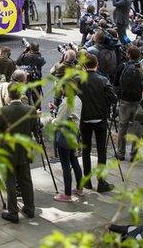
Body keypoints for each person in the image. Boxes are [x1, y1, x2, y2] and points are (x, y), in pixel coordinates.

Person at [0, 82, 38, 223]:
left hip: (8, 151)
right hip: (24, 149)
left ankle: (13, 212)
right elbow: (35, 129)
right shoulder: (31, 110)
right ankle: (30, 209)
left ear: (8, 94)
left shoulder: (2, 111)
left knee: (10, 181)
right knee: (26, 180)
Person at [77, 53, 117, 193]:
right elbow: (114, 98)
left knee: (86, 151)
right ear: (97, 64)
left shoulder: (77, 80)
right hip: (100, 119)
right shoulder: (103, 80)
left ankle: (87, 181)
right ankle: (101, 182)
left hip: (84, 119)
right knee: (101, 151)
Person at [50, 65, 84, 203]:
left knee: (65, 164)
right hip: (74, 133)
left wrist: (51, 119)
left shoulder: (66, 102)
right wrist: (57, 108)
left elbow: (58, 121)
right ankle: (80, 189)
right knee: (74, 161)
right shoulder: (77, 99)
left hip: (64, 134)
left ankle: (67, 194)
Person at [114, 46, 143, 161]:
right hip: (138, 101)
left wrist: (119, 94)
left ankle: (121, 153)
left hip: (124, 101)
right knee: (137, 128)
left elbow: (116, 82)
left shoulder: (122, 67)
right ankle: (134, 154)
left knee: (123, 126)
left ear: (128, 55)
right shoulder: (141, 68)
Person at [17, 42, 46, 109]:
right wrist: (38, 54)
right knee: (37, 99)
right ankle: (37, 112)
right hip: (36, 81)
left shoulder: (24, 55)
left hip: (26, 80)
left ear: (30, 48)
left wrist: (23, 52)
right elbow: (43, 62)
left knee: (26, 97)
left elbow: (18, 63)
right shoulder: (38, 57)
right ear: (38, 49)